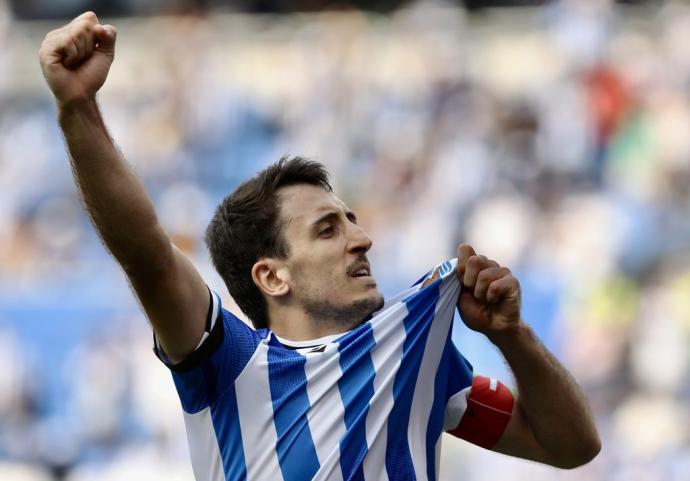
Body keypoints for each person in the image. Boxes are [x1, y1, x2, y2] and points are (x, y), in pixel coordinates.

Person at [38, 12, 601, 481]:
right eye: (328, 229)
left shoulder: (419, 361)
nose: (363, 239)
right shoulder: (230, 365)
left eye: (351, 221)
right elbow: (148, 255)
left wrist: (513, 337)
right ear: (271, 276)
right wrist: (78, 110)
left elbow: (572, 446)